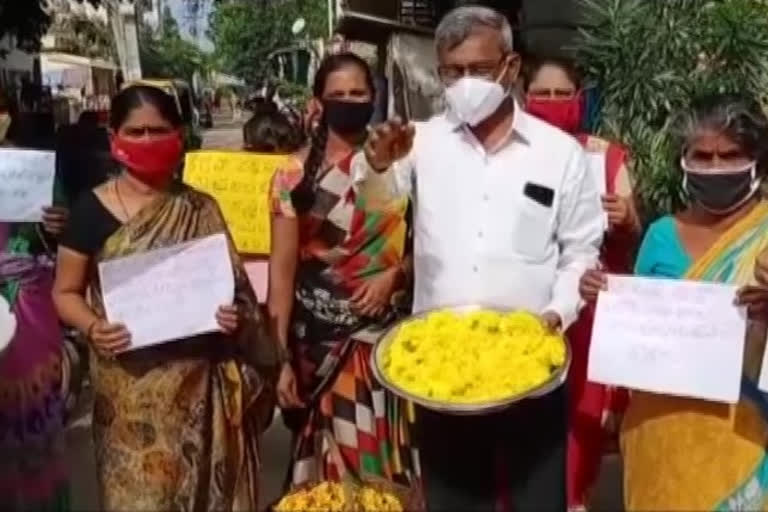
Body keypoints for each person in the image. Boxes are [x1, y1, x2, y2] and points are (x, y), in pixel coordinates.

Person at [357, 6, 604, 511]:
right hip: (440, 373)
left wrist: (556, 314)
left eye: (479, 70)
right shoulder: (418, 143)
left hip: (529, 369)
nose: (465, 82)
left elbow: (580, 250)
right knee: (453, 503)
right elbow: (377, 205)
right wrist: (379, 163)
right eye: (452, 71)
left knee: (539, 502)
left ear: (511, 68)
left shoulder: (558, 154)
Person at [51, 85, 278, 511]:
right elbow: (65, 292)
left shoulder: (200, 207)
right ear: (114, 137)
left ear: (179, 134)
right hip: (128, 398)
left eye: (159, 130)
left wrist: (237, 318)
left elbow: (239, 293)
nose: (148, 141)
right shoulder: (90, 211)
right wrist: (93, 327)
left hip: (200, 392)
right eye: (135, 132)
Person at [580, 93, 768, 510]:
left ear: (756, 160)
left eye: (729, 155)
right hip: (660, 439)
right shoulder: (662, 235)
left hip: (747, 442)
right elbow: (642, 332)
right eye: (701, 156)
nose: (715, 167)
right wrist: (609, 299)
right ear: (684, 160)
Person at [269, 53, 419, 492]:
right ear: (318, 103)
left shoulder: (402, 164)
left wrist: (396, 276)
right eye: (338, 95)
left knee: (377, 462)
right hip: (316, 342)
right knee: (326, 465)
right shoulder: (291, 177)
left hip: (383, 337)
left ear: (374, 99)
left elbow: (427, 245)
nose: (349, 102)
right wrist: (279, 363)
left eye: (358, 94)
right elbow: (281, 278)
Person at [523, 54, 640, 509]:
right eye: (542, 94)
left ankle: (574, 501)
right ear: (525, 98)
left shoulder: (605, 157)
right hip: (527, 307)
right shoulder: (511, 154)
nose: (552, 103)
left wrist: (628, 219)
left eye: (561, 94)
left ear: (579, 99)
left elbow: (630, 237)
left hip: (590, 312)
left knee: (580, 419)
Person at [0, 92, 72, 511]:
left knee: (31, 424)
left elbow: (66, 236)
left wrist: (59, 225)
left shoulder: (30, 169)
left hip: (28, 308)